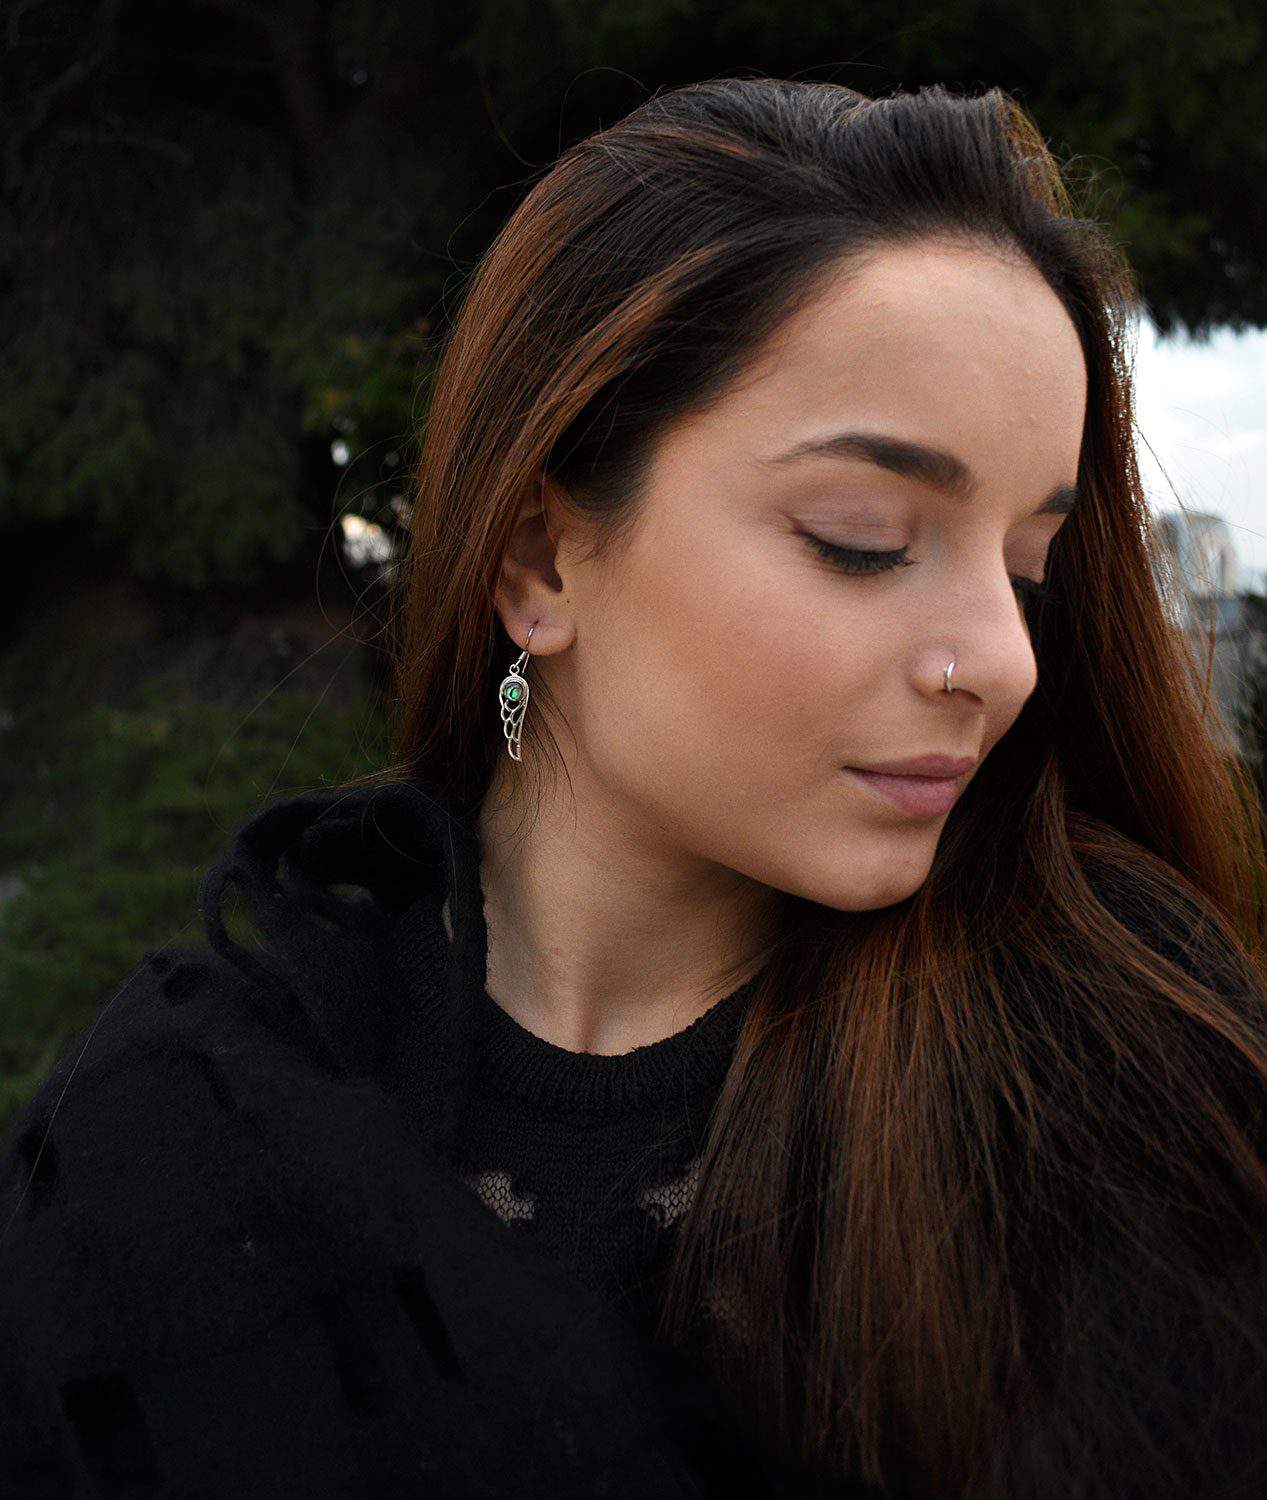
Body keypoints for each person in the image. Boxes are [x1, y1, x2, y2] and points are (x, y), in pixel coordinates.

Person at [3, 75, 1267, 1499]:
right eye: (863, 538)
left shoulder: (1111, 1090)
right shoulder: (178, 1125)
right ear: (541, 561)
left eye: (1031, 567)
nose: (1003, 659)